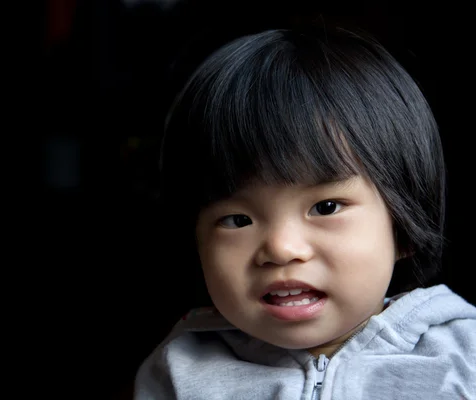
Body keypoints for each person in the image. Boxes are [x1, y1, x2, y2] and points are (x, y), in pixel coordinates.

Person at [133, 26, 476, 399]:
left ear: (403, 228)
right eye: (238, 220)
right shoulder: (180, 372)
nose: (281, 249)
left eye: (325, 207)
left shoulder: (462, 358)